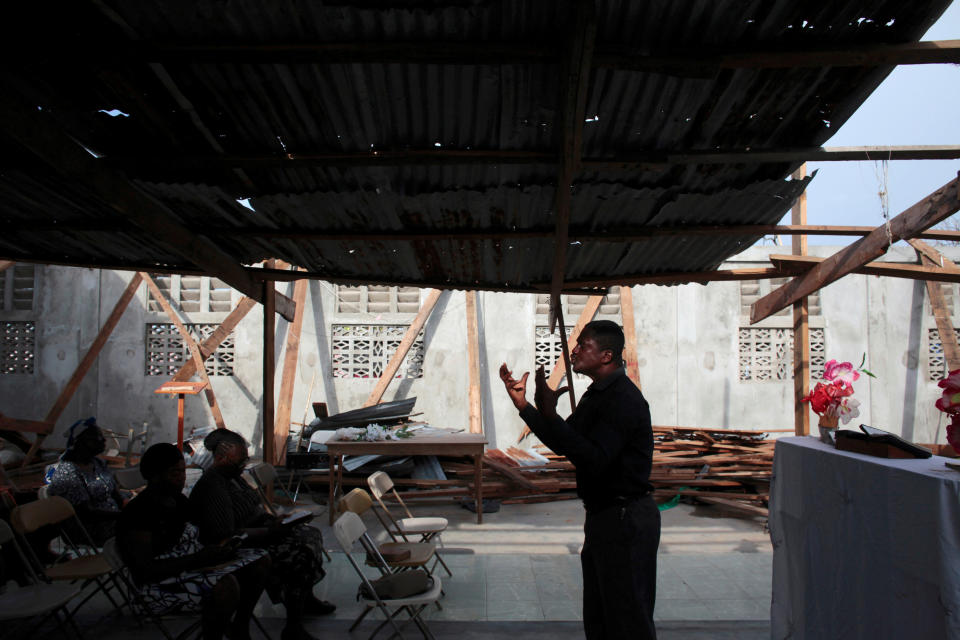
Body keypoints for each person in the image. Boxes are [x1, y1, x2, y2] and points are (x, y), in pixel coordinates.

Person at [499, 320, 659, 640]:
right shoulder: (597, 395)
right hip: (604, 517)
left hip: (625, 520)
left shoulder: (623, 400)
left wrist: (551, 415)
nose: (574, 350)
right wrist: (527, 408)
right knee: (600, 615)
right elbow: (565, 441)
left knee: (627, 618)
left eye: (583, 345)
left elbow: (594, 459)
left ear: (606, 356)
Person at [189, 429, 333, 640]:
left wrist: (276, 521)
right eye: (239, 459)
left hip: (259, 531)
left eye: (245, 459)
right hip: (234, 546)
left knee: (309, 534)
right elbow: (227, 533)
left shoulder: (233, 478)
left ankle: (305, 599)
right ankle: (292, 626)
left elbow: (252, 508)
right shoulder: (214, 485)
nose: (243, 464)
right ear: (220, 458)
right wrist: (269, 531)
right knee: (297, 551)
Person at [117, 443, 270, 640]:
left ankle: (240, 627)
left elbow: (200, 534)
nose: (181, 478)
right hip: (159, 586)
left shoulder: (178, 501)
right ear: (154, 476)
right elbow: (145, 570)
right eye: (174, 473)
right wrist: (198, 559)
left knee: (260, 562)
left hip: (191, 567)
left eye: (182, 472)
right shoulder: (139, 513)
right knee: (226, 587)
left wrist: (222, 548)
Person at [47, 417, 123, 545]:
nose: (104, 440)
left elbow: (115, 494)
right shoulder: (66, 471)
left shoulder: (98, 463)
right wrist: (122, 516)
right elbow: (86, 513)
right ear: (81, 441)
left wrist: (127, 510)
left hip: (112, 519)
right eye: (98, 438)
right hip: (89, 529)